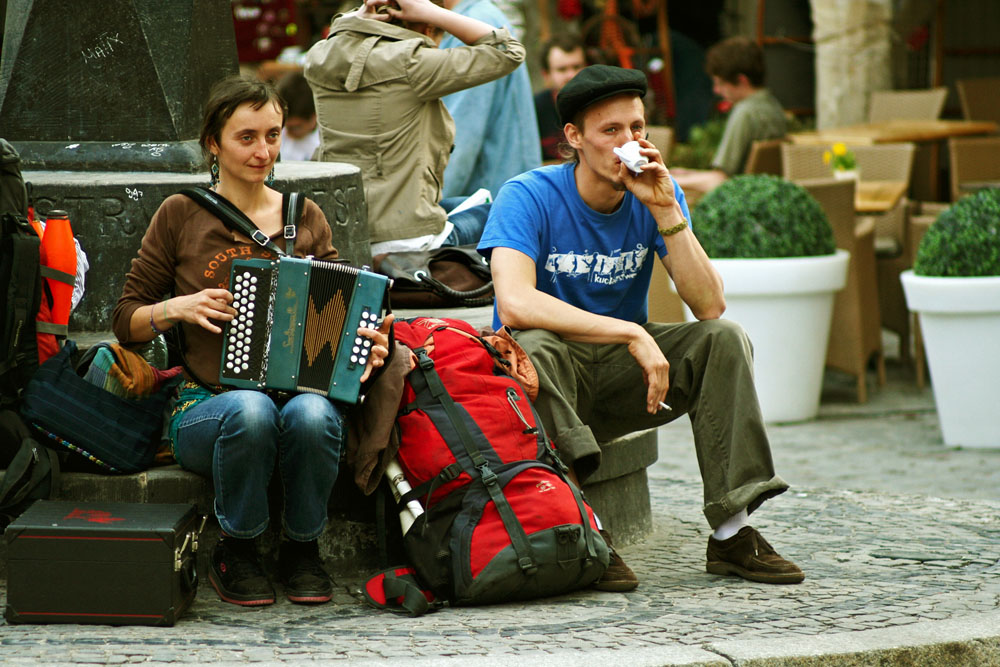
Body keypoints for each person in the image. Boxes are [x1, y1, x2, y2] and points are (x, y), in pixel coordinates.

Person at [478, 65, 803, 592]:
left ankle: (732, 532)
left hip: (627, 380)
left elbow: (710, 305)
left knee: (724, 340)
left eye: (638, 128)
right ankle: (583, 527)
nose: (628, 142)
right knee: (533, 345)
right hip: (547, 384)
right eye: (611, 131)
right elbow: (514, 302)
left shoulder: (657, 193)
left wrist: (665, 209)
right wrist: (631, 333)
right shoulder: (528, 194)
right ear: (574, 138)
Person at [112, 75, 392, 607]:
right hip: (206, 406)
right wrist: (177, 308)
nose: (263, 151)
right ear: (213, 144)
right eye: (246, 137)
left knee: (312, 414)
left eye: (272, 135)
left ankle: (301, 549)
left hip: (298, 402)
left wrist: (369, 347)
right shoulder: (181, 213)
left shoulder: (303, 216)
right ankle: (236, 549)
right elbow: (125, 319)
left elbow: (348, 309)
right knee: (251, 409)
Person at [304, 0, 523, 254]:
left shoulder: (319, 56)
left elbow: (339, 36)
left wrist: (357, 18)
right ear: (427, 26)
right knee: (513, 210)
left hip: (342, 228)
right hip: (407, 238)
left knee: (461, 203)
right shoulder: (413, 63)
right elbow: (508, 50)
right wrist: (436, 12)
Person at [438, 0, 541, 201]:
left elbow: (460, 138)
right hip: (504, 195)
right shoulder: (480, 18)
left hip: (488, 203)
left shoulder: (472, 24)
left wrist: (430, 203)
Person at [671, 36, 787, 196]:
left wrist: (670, 180)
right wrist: (689, 174)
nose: (716, 91)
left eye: (720, 83)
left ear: (741, 80)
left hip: (739, 198)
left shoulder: (745, 113)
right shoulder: (772, 105)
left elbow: (720, 179)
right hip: (762, 194)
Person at [534, 34, 587, 161]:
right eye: (562, 69)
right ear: (546, 75)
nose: (571, 75)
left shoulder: (602, 103)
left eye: (576, 67)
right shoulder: (534, 109)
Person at [275, 71, 320, 161]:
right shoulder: (276, 135)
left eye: (295, 127)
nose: (288, 133)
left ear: (314, 117)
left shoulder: (322, 145)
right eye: (284, 126)